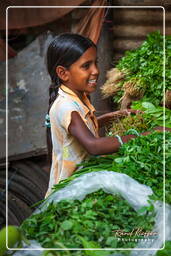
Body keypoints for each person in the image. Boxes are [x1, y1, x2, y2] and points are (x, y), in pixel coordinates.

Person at [45, 33, 169, 196]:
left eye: (95, 63)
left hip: (82, 183)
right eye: (86, 66)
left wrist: (111, 116)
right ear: (63, 73)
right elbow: (94, 147)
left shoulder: (75, 97)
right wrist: (149, 134)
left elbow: (81, 127)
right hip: (71, 191)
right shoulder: (67, 106)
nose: (96, 71)